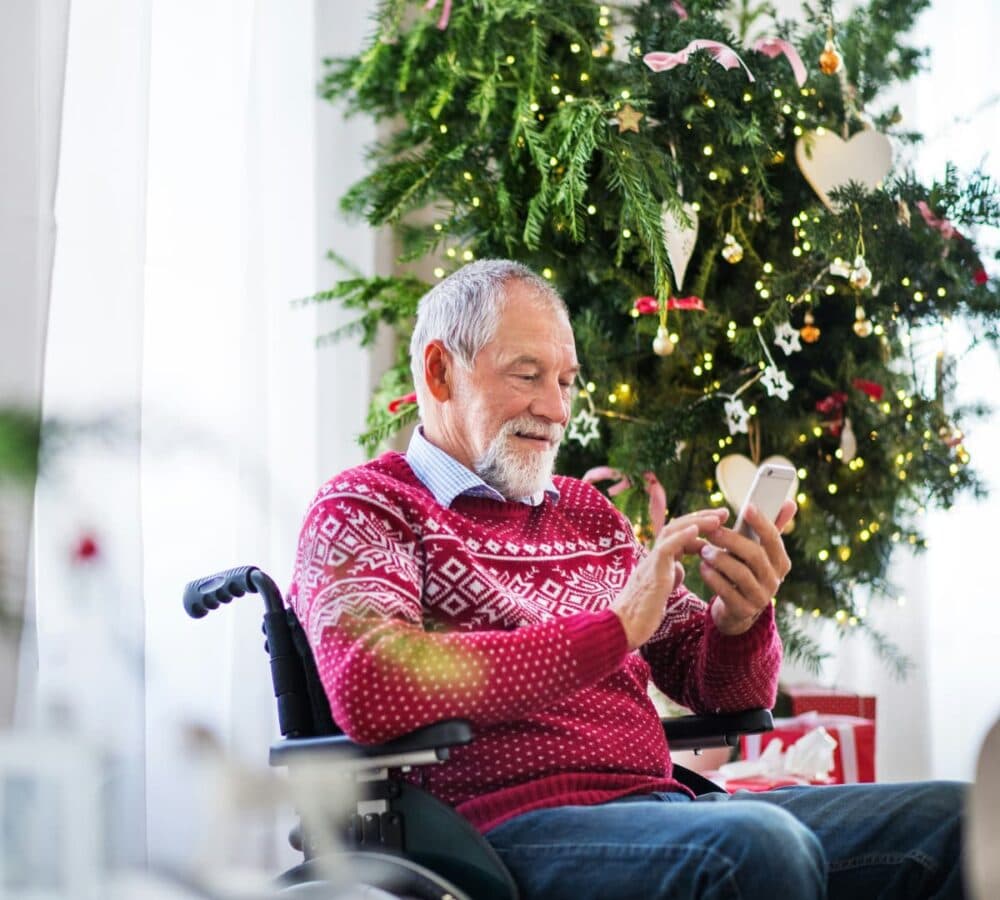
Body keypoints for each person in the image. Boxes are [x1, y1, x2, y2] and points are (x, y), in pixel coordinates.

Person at [288, 259, 965, 899]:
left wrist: (739, 621)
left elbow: (724, 692)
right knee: (758, 846)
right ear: (440, 372)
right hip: (493, 835)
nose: (556, 410)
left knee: (961, 820)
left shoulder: (589, 515)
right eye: (528, 375)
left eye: (567, 381)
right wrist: (610, 633)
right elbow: (370, 681)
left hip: (660, 811)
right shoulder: (366, 508)